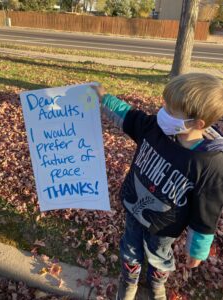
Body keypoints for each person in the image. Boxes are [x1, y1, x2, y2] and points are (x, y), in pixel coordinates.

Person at [92, 73, 223, 300]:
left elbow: (206, 211)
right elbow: (129, 117)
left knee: (159, 257)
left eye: (171, 111)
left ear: (197, 123)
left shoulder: (210, 164)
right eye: (165, 105)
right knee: (130, 249)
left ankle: (156, 283)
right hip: (134, 211)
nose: (163, 112)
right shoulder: (156, 128)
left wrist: (197, 250)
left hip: (164, 227)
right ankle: (129, 280)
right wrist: (104, 98)